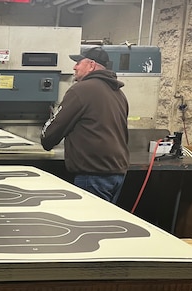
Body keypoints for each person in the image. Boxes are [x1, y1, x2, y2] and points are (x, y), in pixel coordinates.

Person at [40, 47, 129, 203]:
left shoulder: (81, 90)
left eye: (78, 63)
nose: (74, 67)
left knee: (90, 224)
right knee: (102, 223)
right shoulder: (118, 93)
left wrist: (45, 136)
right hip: (116, 173)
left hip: (93, 175)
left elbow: (51, 133)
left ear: (91, 65)